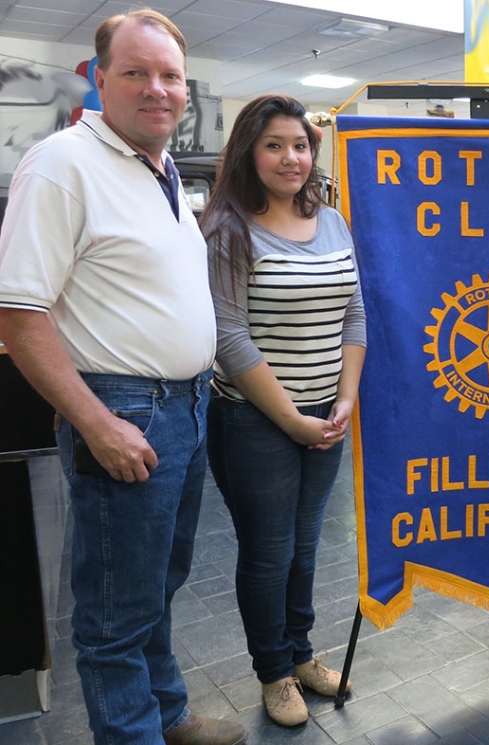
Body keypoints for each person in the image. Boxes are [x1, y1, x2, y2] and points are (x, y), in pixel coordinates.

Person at [0, 9, 246, 745]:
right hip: (124, 407)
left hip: (187, 406)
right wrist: (96, 421)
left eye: (170, 75)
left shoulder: (162, 167)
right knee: (112, 614)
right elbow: (17, 313)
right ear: (99, 78)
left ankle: (167, 713)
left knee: (156, 585)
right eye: (136, 72)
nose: (157, 89)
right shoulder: (62, 164)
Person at [200, 94, 366, 727]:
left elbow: (354, 310)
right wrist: (294, 419)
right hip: (253, 418)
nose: (290, 157)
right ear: (249, 151)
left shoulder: (331, 220)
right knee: (268, 552)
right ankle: (273, 671)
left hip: (326, 412)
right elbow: (229, 335)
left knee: (304, 546)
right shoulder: (226, 227)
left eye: (299, 144)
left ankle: (301, 655)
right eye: (274, 145)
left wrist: (344, 397)